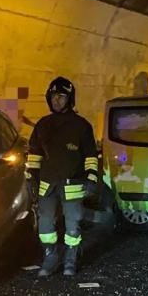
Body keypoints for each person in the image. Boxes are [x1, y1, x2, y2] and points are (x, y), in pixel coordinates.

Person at [26, 77, 100, 277]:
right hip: (47, 184)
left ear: (70, 99)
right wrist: (31, 178)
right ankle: (50, 257)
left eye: (61, 97)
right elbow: (34, 154)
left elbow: (90, 156)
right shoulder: (43, 125)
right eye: (53, 97)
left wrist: (92, 179)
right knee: (45, 225)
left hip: (72, 184)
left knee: (73, 225)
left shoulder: (81, 126)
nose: (57, 100)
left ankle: (70, 259)